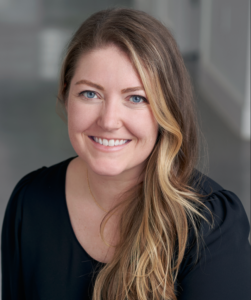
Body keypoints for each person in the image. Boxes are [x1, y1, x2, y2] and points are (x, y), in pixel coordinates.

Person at [1, 8, 250, 300]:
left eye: (136, 98)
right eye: (90, 94)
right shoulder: (29, 202)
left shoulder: (209, 226)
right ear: (67, 96)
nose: (108, 121)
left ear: (165, 110)